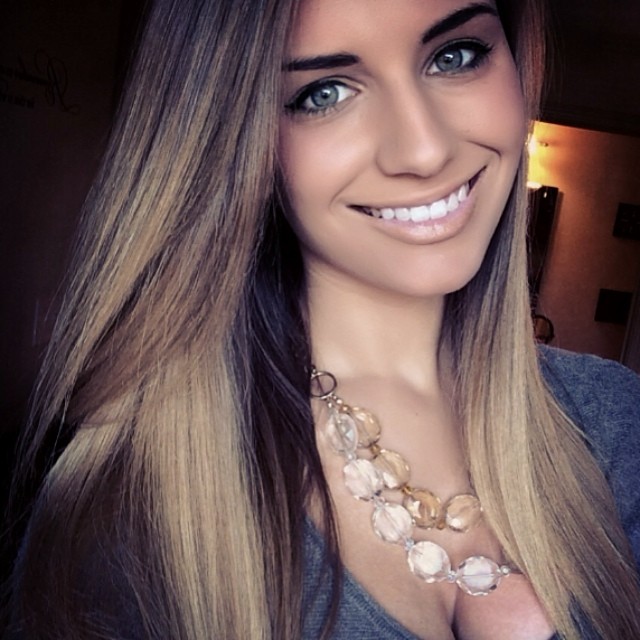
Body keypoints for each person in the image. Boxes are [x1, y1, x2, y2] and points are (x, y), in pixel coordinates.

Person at [4, 0, 640, 638]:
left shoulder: (617, 420)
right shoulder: (130, 510)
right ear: (234, 139)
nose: (423, 150)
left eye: (454, 56)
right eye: (324, 93)